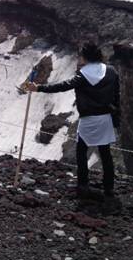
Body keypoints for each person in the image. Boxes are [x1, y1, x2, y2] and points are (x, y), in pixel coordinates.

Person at [25, 42, 120, 198]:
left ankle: (83, 185)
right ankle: (109, 186)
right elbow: (117, 97)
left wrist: (39, 88)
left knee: (81, 151)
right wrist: (116, 118)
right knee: (105, 153)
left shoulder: (84, 76)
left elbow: (63, 86)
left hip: (89, 118)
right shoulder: (111, 72)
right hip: (105, 117)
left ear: (85, 57)